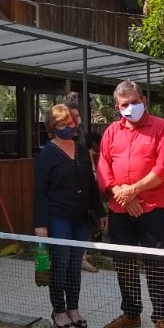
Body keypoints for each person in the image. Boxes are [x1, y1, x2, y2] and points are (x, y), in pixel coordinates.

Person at [96, 81, 164, 328]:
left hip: (153, 208)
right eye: (124, 104)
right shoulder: (111, 131)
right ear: (116, 107)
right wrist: (122, 194)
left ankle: (162, 318)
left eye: (134, 102)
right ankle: (131, 314)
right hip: (120, 208)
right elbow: (103, 168)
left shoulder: (162, 129)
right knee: (124, 263)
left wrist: (133, 190)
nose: (130, 107)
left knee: (155, 262)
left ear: (144, 101)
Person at [33, 104, 104, 328]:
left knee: (75, 264)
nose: (67, 127)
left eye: (70, 123)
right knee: (61, 264)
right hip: (58, 216)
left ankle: (73, 308)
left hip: (81, 216)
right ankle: (59, 310)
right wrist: (40, 224)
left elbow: (91, 185)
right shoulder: (46, 154)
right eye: (61, 124)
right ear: (52, 127)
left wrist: (100, 211)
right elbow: (39, 191)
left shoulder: (82, 150)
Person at [64, 92, 102, 273]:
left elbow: (89, 156)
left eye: (78, 116)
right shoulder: (59, 137)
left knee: (83, 224)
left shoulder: (82, 136)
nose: (76, 119)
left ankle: (82, 258)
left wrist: (93, 172)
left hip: (83, 188)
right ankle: (68, 260)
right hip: (66, 190)